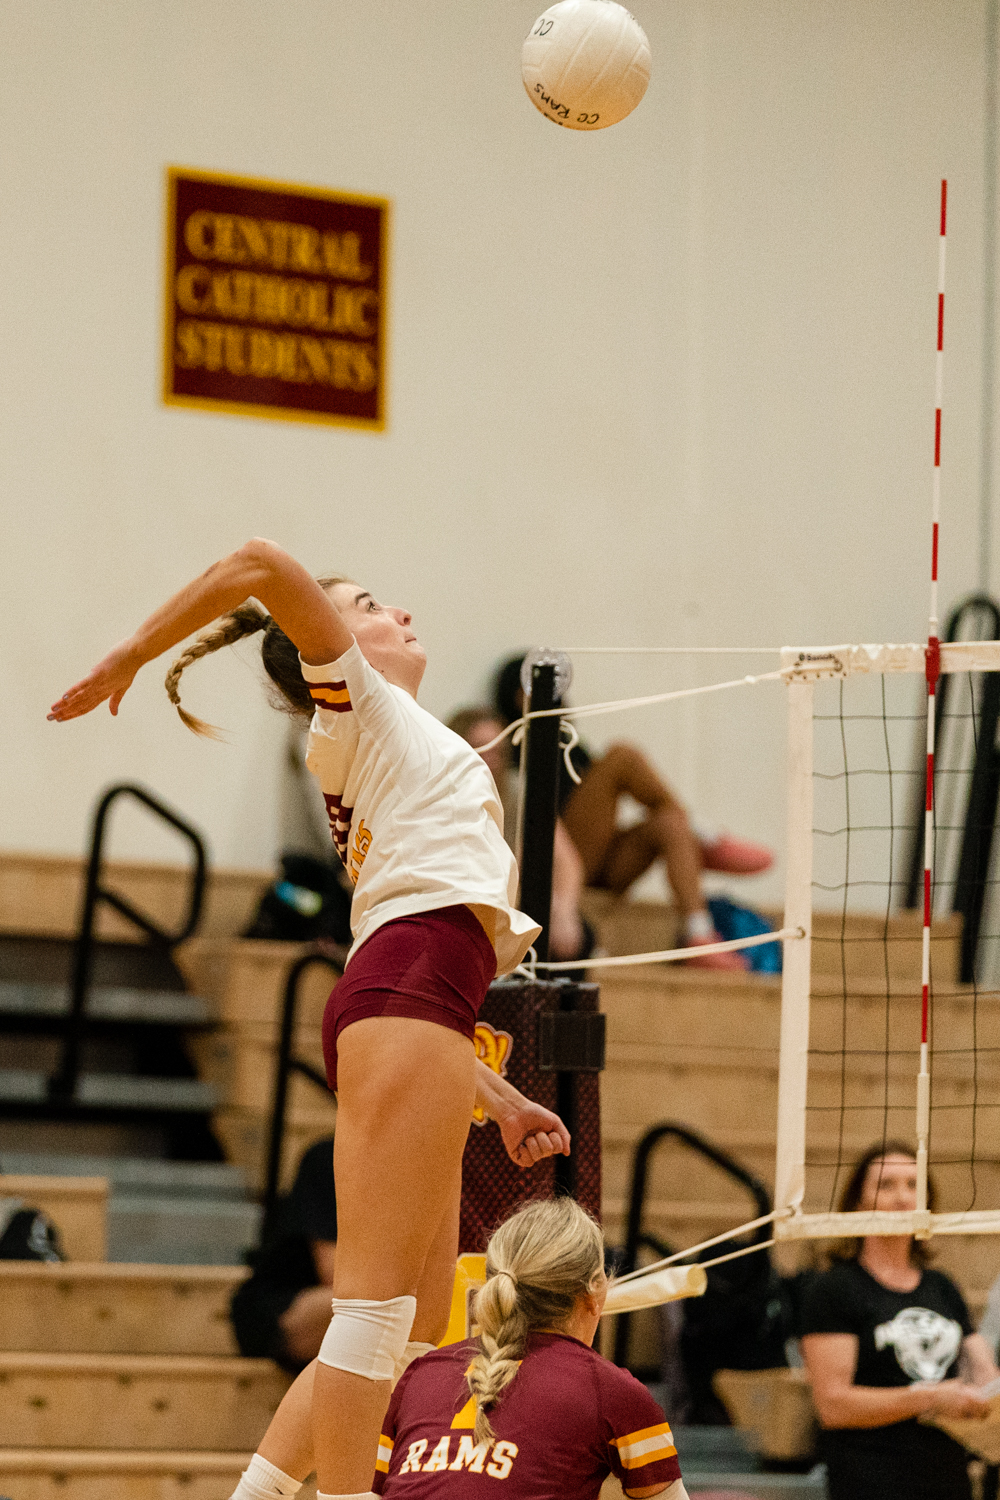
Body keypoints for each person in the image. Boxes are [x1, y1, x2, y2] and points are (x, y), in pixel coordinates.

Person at [48, 539, 571, 1500]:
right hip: (408, 995)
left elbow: (423, 977)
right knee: (374, 1317)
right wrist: (134, 651)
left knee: (420, 1331)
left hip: (421, 1006)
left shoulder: (379, 739)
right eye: (369, 603)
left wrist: (491, 1096)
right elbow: (255, 560)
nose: (399, 610)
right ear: (329, 644)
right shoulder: (360, 705)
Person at [494, 655, 773, 971]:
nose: (557, 693)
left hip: (602, 866)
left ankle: (698, 932)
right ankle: (707, 837)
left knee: (671, 823)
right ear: (518, 696)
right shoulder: (513, 748)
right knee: (622, 756)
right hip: (561, 861)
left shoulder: (570, 745)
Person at [799, 1141, 998, 1500]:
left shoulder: (941, 1286)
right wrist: (929, 1398)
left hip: (948, 1480)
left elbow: (982, 1369)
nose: (903, 1198)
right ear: (858, 1203)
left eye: (913, 1185)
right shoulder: (833, 1289)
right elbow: (833, 1406)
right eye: (885, 1185)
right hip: (872, 1480)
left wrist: (987, 1396)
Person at [446, 706, 591, 962]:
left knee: (576, 934)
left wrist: (563, 910)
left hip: (509, 906)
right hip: (461, 907)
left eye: (498, 751)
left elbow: (566, 860)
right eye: (482, 749)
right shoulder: (441, 796)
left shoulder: (516, 791)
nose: (491, 760)